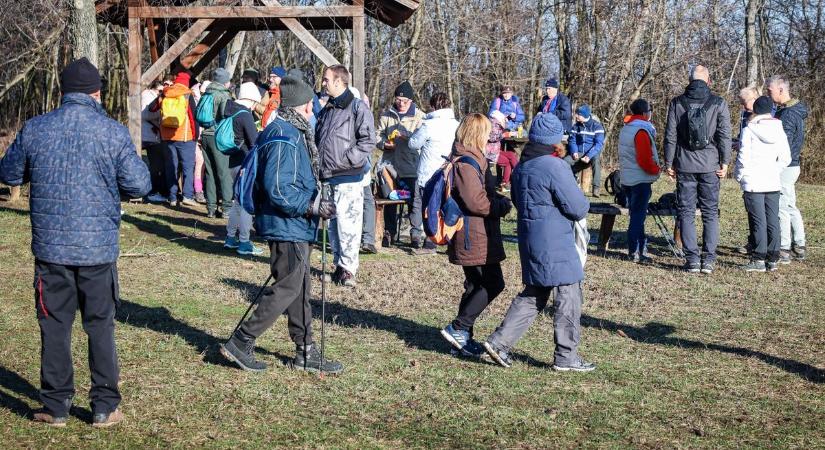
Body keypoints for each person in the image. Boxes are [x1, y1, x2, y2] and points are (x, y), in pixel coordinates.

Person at [0, 58, 151, 427]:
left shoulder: (36, 128)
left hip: (51, 250)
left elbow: (8, 172)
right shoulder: (112, 133)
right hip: (97, 251)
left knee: (54, 325)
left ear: (64, 91)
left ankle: (55, 406)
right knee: (100, 325)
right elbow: (140, 185)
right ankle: (104, 406)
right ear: (97, 93)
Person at [219, 74, 343, 375]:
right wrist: (312, 205)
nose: (312, 110)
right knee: (288, 286)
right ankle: (242, 340)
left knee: (299, 286)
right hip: (285, 223)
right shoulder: (284, 136)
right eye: (308, 106)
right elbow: (278, 188)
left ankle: (306, 351)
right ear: (299, 107)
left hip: (294, 225)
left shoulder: (289, 132)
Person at [481, 113, 594, 372]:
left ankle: (499, 343)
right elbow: (577, 208)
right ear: (555, 141)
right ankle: (566, 357)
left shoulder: (522, 167)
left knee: (535, 292)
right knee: (568, 294)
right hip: (557, 241)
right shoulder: (555, 167)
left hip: (529, 237)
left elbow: (520, 204)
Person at [438, 113, 512, 356]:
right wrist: (501, 206)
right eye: (488, 132)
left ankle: (460, 341)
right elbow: (477, 203)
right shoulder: (467, 163)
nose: (491, 137)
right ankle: (458, 328)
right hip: (473, 234)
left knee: (474, 285)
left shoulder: (469, 158)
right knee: (493, 283)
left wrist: (496, 196)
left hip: (475, 233)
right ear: (477, 134)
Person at [663, 65, 731, 274]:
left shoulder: (677, 103)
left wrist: (669, 162)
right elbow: (725, 135)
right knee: (710, 212)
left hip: (685, 164)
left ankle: (692, 259)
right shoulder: (718, 103)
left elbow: (670, 135)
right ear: (708, 80)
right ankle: (708, 259)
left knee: (686, 212)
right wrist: (725, 161)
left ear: (689, 80)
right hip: (710, 165)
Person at [316, 65, 376, 286]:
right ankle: (339, 267)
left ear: (339, 82)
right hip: (328, 176)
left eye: (326, 80)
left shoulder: (357, 108)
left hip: (348, 176)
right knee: (333, 225)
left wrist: (348, 160)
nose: (323, 83)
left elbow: (368, 141)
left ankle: (349, 270)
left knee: (348, 224)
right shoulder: (328, 109)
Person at [734, 96, 792, 272]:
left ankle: (758, 258)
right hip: (772, 181)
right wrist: (775, 170)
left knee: (758, 220)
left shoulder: (749, 129)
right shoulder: (779, 128)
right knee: (772, 219)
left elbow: (743, 157)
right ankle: (772, 258)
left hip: (753, 182)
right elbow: (786, 158)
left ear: (755, 110)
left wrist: (740, 176)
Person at [408, 92, 460, 255]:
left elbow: (413, 143)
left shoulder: (428, 125)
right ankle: (452, 241)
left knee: (429, 208)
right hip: (450, 173)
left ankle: (430, 242)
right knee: (449, 207)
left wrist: (411, 133)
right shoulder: (457, 124)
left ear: (433, 106)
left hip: (429, 173)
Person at [376, 81, 425, 247]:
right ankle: (389, 232)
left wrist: (407, 138)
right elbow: (377, 135)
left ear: (411, 101)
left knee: (414, 200)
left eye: (405, 101)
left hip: (411, 166)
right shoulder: (386, 115)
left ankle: (415, 233)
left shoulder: (420, 117)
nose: (401, 104)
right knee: (391, 198)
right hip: (390, 165)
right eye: (398, 100)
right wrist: (384, 143)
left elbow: (422, 140)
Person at [766, 76, 808, 263]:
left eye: (770, 90)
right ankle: (799, 245)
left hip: (786, 165)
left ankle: (784, 247)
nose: (768, 93)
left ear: (781, 90)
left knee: (783, 206)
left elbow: (785, 144)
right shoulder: (788, 111)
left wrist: (775, 162)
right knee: (790, 205)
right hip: (791, 164)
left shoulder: (789, 114)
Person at [618, 99, 661, 263]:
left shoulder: (626, 128)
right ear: (645, 113)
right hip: (640, 180)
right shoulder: (641, 131)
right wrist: (656, 170)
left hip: (628, 179)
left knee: (636, 215)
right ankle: (636, 251)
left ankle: (639, 249)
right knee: (637, 217)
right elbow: (644, 160)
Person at [222, 94, 261, 256]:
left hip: (232, 162)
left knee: (237, 202)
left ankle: (230, 238)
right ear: (250, 99)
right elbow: (254, 142)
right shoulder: (245, 114)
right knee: (245, 202)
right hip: (245, 164)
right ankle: (244, 242)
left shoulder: (230, 111)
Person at [157, 70, 200, 207]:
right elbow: (193, 118)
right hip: (185, 136)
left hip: (167, 136)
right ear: (187, 82)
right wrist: (195, 135)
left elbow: (154, 108)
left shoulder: (166, 93)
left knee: (171, 167)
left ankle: (172, 197)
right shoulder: (187, 95)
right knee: (188, 167)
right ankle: (187, 196)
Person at [200, 68, 235, 218]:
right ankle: (226, 208)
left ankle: (211, 208)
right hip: (218, 137)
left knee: (210, 172)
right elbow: (225, 115)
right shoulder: (224, 95)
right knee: (224, 173)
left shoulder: (206, 92)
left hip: (206, 135)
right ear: (225, 81)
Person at [734, 86, 761, 255]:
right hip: (748, 170)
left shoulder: (767, 116)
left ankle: (761, 244)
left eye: (746, 102)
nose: (744, 107)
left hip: (760, 169)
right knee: (751, 208)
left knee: (760, 211)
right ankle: (753, 241)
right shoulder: (745, 116)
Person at [565, 104, 605, 196]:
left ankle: (596, 188)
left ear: (584, 115)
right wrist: (574, 151)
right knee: (565, 161)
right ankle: (570, 184)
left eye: (578, 114)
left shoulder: (597, 126)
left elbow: (598, 144)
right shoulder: (576, 126)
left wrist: (588, 156)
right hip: (579, 152)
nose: (576, 116)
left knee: (596, 161)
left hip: (592, 152)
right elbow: (572, 140)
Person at [141, 80, 169, 203]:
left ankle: (156, 190)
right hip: (150, 136)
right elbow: (144, 115)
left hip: (156, 135)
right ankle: (153, 191)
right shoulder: (147, 96)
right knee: (155, 165)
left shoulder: (154, 96)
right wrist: (162, 113)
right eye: (160, 90)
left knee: (158, 164)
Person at [488, 110, 518, 192]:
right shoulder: (492, 124)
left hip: (495, 149)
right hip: (490, 152)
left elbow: (504, 123)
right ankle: (505, 184)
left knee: (512, 154)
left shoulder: (496, 123)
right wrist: (505, 135)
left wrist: (508, 118)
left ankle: (519, 173)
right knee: (507, 162)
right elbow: (491, 138)